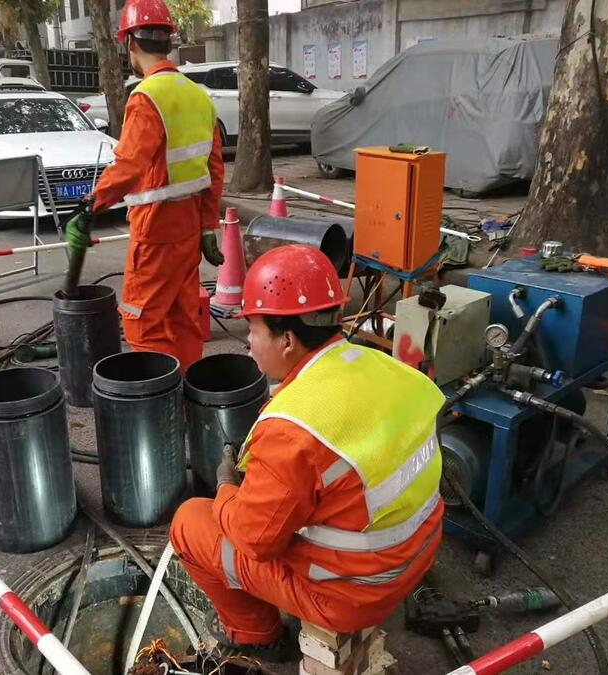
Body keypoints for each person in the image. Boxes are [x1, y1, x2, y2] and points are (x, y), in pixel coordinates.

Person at [170, 245, 446, 660]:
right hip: (420, 550)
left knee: (190, 522)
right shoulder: (385, 367)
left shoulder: (292, 430)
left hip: (350, 593)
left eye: (254, 330)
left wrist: (227, 489)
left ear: (286, 340)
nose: (249, 342)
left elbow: (254, 540)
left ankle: (256, 636)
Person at [63, 0, 225, 372]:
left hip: (154, 229)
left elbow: (130, 165)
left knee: (143, 321)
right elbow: (213, 171)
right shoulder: (198, 96)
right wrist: (207, 227)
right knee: (183, 317)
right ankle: (186, 395)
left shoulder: (146, 97)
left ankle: (155, 409)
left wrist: (90, 205)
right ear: (168, 42)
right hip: (186, 230)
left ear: (129, 43)